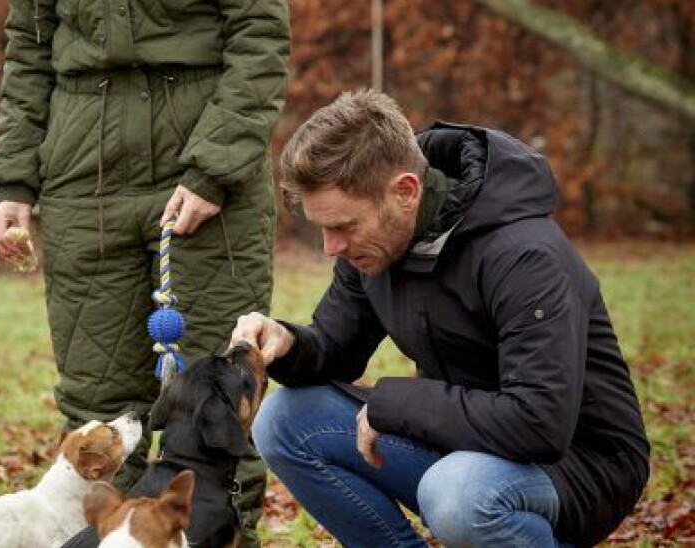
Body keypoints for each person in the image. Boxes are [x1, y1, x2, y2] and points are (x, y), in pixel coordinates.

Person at [231, 89, 650, 548]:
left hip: (577, 464)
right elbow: (336, 347)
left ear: (405, 192)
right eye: (323, 229)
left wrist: (395, 404)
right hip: (463, 446)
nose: (332, 248)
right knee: (285, 420)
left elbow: (539, 422)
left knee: (456, 493)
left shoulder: (523, 255)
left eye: (345, 227)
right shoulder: (376, 247)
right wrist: (286, 341)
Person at [0, 1, 290, 545]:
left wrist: (214, 167)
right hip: (83, 176)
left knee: (217, 399)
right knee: (100, 411)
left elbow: (259, 34)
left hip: (208, 165)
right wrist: (14, 181)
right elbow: (28, 51)